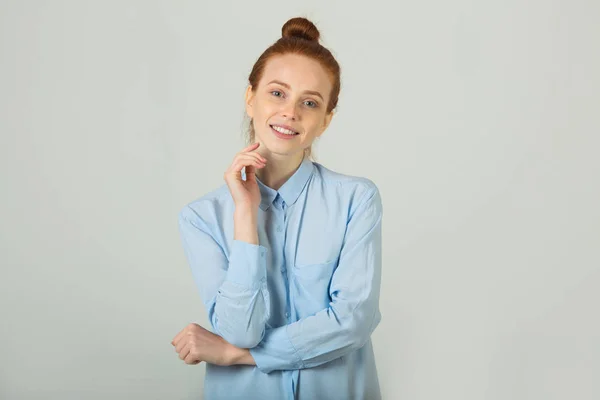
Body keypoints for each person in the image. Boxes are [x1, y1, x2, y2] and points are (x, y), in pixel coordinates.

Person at [171, 17, 383, 400]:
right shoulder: (201, 217)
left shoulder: (356, 200)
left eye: (310, 102)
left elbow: (353, 321)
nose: (290, 112)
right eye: (277, 93)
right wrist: (244, 216)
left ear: (325, 121)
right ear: (250, 98)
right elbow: (241, 330)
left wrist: (238, 356)